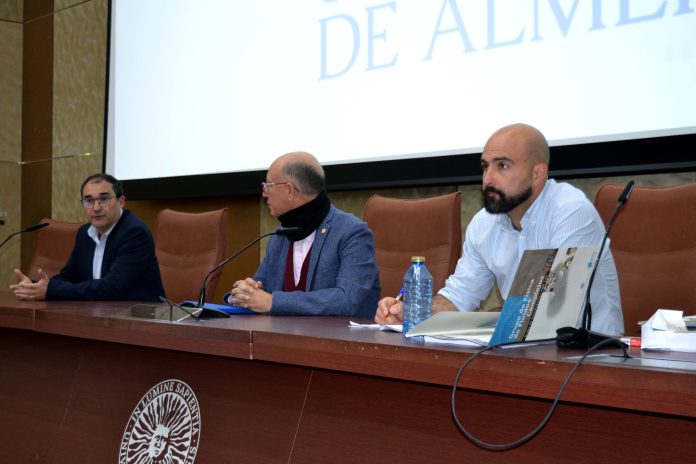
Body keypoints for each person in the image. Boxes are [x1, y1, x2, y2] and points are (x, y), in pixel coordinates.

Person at [375, 123, 624, 335]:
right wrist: (411, 312)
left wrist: (494, 314)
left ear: (538, 174)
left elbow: (551, 309)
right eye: (485, 167)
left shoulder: (570, 211)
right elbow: (458, 297)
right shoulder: (484, 224)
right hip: (524, 351)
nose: (488, 179)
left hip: (590, 356)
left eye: (502, 166)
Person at [226, 151, 380, 317]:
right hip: (283, 336)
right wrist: (242, 295)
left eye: (268, 185)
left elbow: (346, 299)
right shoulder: (280, 236)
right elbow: (260, 290)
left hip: (339, 339)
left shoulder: (351, 232)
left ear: (290, 190)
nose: (264, 193)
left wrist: (273, 302)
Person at [10, 173, 165, 301]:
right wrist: (36, 286)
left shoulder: (134, 233)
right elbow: (68, 277)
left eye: (103, 199)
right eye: (89, 200)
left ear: (121, 201)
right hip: (99, 314)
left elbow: (112, 288)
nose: (96, 208)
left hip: (139, 319)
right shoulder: (85, 233)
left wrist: (50, 290)